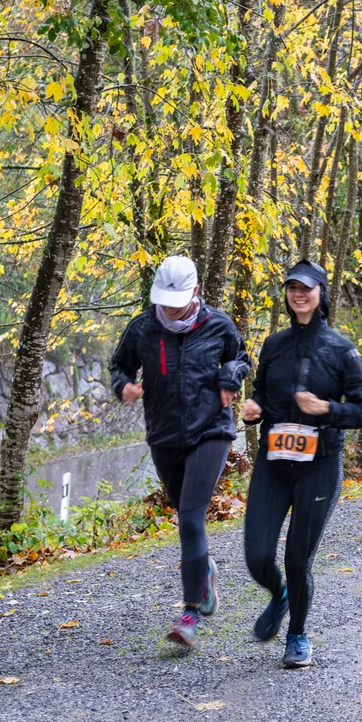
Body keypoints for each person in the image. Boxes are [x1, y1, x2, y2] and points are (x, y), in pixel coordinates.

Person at [109, 255, 251, 649]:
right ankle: (204, 570)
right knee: (182, 511)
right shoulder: (143, 328)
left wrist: (230, 376)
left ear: (196, 292)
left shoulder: (218, 324)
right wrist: (123, 387)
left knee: (190, 517)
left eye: (178, 300)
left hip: (212, 430)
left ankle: (189, 614)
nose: (170, 308)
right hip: (165, 434)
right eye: (165, 300)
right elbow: (119, 367)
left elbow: (242, 358)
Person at [241, 260, 362, 668]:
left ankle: (296, 634)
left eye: (307, 288)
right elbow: (262, 391)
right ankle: (279, 594)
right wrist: (254, 407)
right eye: (292, 287)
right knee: (257, 555)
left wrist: (326, 408)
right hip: (274, 461)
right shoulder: (274, 344)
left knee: (298, 558)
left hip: (319, 464)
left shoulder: (340, 349)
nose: (299, 294)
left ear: (320, 294)